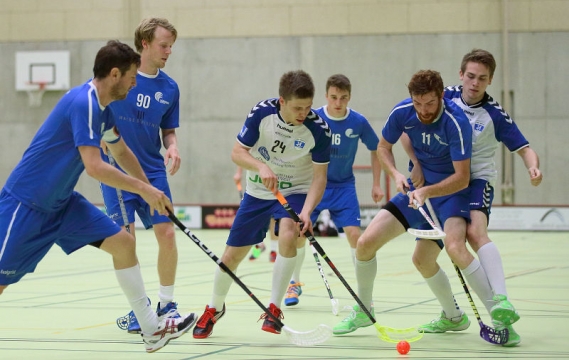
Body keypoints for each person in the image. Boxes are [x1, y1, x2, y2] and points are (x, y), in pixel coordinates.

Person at [0, 40, 195, 353]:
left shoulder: (103, 112)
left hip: (62, 204)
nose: (135, 84)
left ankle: (151, 329)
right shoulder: (84, 103)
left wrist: (151, 191)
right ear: (115, 74)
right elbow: (95, 167)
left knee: (124, 244)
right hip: (25, 205)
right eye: (132, 77)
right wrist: (144, 189)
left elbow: (120, 151)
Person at [406, 49, 543, 346]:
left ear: (490, 80)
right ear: (460, 74)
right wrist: (415, 162)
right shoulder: (444, 97)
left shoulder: (494, 114)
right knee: (421, 258)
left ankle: (501, 303)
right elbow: (408, 120)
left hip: (476, 180)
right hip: (443, 181)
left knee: (475, 233)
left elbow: (524, 147)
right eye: (470, 76)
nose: (474, 83)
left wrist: (532, 166)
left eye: (482, 78)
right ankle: (452, 315)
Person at [333, 69, 481, 337]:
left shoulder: (455, 122)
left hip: (449, 198)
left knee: (424, 259)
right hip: (416, 192)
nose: (423, 110)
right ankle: (365, 310)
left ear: (441, 97)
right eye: (417, 103)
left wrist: (428, 191)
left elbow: (462, 178)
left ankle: (463, 314)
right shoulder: (402, 111)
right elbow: (383, 147)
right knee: (365, 245)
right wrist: (397, 174)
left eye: (430, 103)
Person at [192, 70, 331, 338]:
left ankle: (274, 309)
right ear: (282, 101)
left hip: (296, 189)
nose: (304, 113)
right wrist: (260, 167)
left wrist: (307, 211)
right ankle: (214, 307)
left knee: (288, 232)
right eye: (297, 107)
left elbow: (320, 177)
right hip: (258, 190)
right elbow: (237, 152)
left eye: (308, 107)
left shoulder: (319, 129)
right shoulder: (261, 114)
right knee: (231, 257)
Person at [99, 18, 183, 334]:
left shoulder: (170, 87)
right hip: (116, 174)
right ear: (145, 43)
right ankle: (139, 309)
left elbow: (169, 131)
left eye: (171, 46)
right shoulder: (117, 76)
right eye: (164, 45)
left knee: (168, 234)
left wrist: (173, 147)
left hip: (153, 173)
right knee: (126, 242)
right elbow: (93, 111)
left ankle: (167, 303)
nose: (169, 51)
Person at [283, 74, 384, 307]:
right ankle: (294, 284)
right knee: (298, 235)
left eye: (343, 98)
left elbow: (376, 148)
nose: (338, 102)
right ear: (326, 96)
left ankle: (362, 293)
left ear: (349, 97)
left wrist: (377, 183)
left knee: (356, 237)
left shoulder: (358, 122)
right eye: (334, 97)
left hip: (344, 187)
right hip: (313, 184)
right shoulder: (312, 118)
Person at [233, 166, 279, 262]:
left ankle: (273, 250)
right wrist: (239, 172)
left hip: (276, 177)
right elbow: (244, 152)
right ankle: (259, 244)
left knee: (274, 218)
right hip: (256, 181)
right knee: (256, 217)